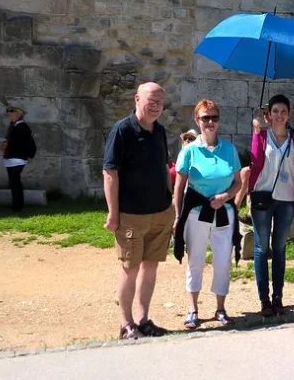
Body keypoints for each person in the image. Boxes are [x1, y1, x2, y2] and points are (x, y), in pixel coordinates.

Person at [102, 82, 175, 340]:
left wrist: (170, 203)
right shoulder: (121, 130)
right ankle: (126, 324)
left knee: (150, 268)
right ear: (136, 99)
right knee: (130, 269)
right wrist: (113, 213)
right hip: (131, 215)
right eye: (150, 101)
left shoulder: (160, 131)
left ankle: (144, 320)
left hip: (160, 213)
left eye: (159, 102)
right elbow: (110, 173)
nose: (155, 106)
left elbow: (164, 167)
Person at [172, 99, 242, 329]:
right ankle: (193, 308)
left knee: (222, 262)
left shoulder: (229, 149)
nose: (210, 122)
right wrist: (178, 216)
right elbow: (179, 187)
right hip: (196, 213)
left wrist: (225, 197)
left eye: (214, 117)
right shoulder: (189, 151)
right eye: (205, 118)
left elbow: (238, 183)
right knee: (196, 260)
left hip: (223, 212)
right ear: (197, 120)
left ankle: (221, 308)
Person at [248, 94, 294, 317]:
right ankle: (264, 299)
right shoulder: (261, 135)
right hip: (263, 196)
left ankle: (278, 297)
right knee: (261, 248)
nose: (279, 115)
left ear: (289, 115)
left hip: (286, 199)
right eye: (275, 111)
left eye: (283, 111)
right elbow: (255, 161)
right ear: (268, 115)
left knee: (279, 248)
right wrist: (256, 133)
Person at [0, 105, 36, 212]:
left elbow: (21, 142)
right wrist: (5, 143)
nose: (9, 114)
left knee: (14, 182)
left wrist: (7, 144)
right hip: (12, 157)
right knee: (15, 182)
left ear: (19, 114)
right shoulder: (14, 126)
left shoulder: (22, 126)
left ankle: (18, 207)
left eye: (12, 111)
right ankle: (18, 205)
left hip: (17, 158)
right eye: (8, 112)